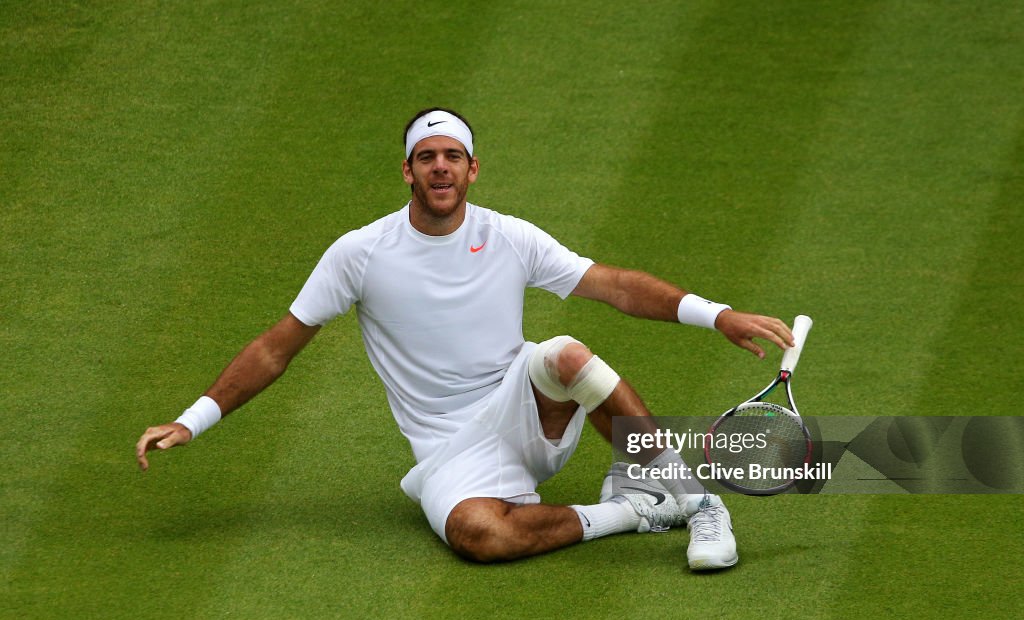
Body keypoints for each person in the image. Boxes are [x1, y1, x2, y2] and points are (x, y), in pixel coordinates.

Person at [135, 108, 794, 570]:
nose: (440, 168)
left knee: (565, 353)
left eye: (452, 156)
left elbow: (615, 285)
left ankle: (697, 500)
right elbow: (278, 345)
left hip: (524, 406)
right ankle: (638, 511)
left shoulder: (509, 236)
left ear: (473, 169)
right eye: (427, 158)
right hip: (448, 450)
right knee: (479, 537)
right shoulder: (359, 254)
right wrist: (194, 419)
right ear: (407, 172)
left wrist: (719, 313)